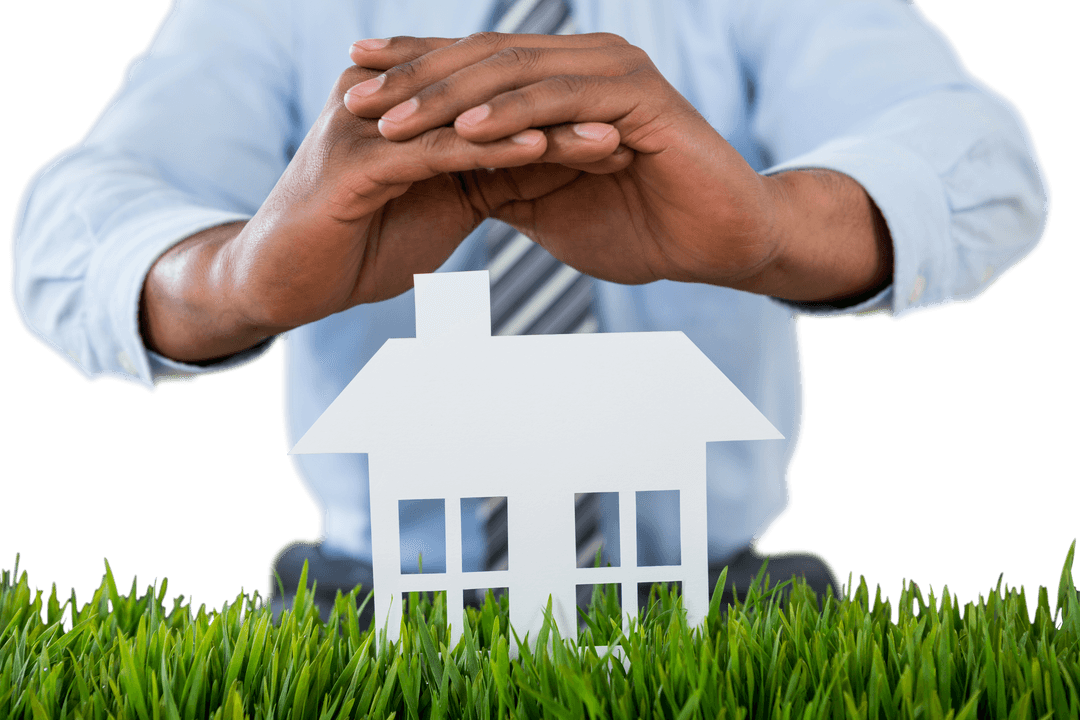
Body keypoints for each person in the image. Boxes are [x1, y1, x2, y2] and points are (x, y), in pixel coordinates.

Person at [12, 0, 1048, 629]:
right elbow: (74, 218)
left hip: (719, 599)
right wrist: (236, 278)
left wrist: (773, 226)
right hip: (373, 602)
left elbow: (979, 157)